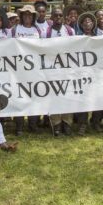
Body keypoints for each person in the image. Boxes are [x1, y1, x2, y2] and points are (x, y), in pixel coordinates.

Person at [10, 5, 41, 135]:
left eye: (30, 15)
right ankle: (19, 126)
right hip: (18, 68)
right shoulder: (15, 29)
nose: (27, 16)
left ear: (33, 17)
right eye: (25, 14)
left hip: (34, 68)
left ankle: (33, 124)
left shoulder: (37, 30)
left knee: (34, 95)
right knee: (19, 96)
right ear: (21, 16)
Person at [45, 8, 75, 136]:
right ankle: (56, 124)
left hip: (67, 68)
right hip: (51, 68)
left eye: (60, 15)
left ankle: (67, 123)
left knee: (67, 94)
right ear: (51, 17)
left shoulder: (70, 31)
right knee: (54, 95)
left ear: (63, 17)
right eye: (55, 15)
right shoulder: (46, 32)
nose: (58, 17)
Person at [75, 12, 99, 135]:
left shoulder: (100, 38)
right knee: (83, 99)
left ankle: (96, 121)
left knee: (97, 97)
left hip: (97, 72)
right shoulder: (77, 39)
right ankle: (82, 125)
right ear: (81, 25)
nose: (87, 24)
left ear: (93, 24)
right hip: (82, 73)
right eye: (84, 22)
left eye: (89, 21)